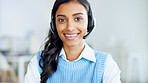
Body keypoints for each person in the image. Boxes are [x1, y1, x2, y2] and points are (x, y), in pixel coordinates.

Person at [24, 0, 121, 83]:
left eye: (78, 19)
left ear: (89, 23)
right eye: (62, 20)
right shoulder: (39, 61)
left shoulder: (105, 64)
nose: (70, 27)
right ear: (54, 25)